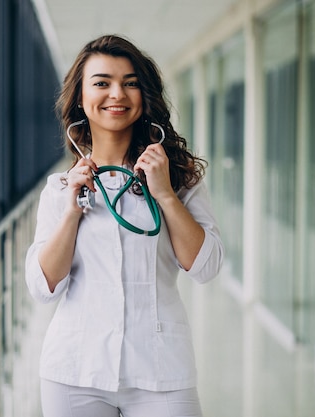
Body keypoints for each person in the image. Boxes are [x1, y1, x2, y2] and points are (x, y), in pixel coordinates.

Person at [24, 34, 224, 417]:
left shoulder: (180, 179)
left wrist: (164, 193)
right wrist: (71, 212)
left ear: (144, 96)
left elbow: (206, 267)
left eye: (130, 82)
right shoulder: (60, 189)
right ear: (81, 99)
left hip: (161, 370)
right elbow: (43, 287)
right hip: (75, 370)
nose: (117, 93)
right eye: (102, 83)